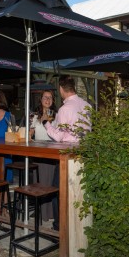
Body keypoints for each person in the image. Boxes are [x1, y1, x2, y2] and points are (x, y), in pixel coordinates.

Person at [43, 75, 92, 230]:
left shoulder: (65, 109)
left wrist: (46, 123)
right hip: (83, 154)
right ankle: (75, 224)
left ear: (61, 90)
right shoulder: (87, 105)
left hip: (67, 155)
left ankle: (59, 226)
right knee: (77, 191)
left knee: (59, 190)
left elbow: (59, 136)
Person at [30, 90, 58, 221]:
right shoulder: (35, 116)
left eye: (50, 97)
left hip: (52, 151)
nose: (48, 100)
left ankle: (51, 212)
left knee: (51, 182)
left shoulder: (57, 116)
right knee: (40, 182)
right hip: (38, 151)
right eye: (45, 97)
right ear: (40, 100)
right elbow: (29, 135)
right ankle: (40, 212)